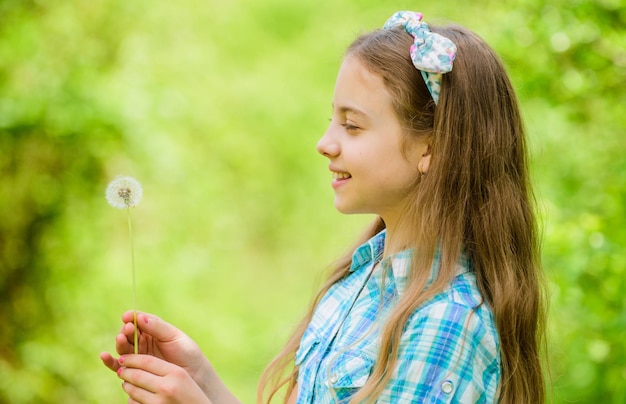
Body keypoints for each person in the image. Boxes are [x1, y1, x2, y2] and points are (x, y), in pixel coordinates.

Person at [101, 10, 547, 403]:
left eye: (352, 126)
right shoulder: (361, 282)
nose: (324, 143)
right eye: (332, 119)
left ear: (430, 147)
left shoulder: (444, 326)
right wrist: (201, 383)